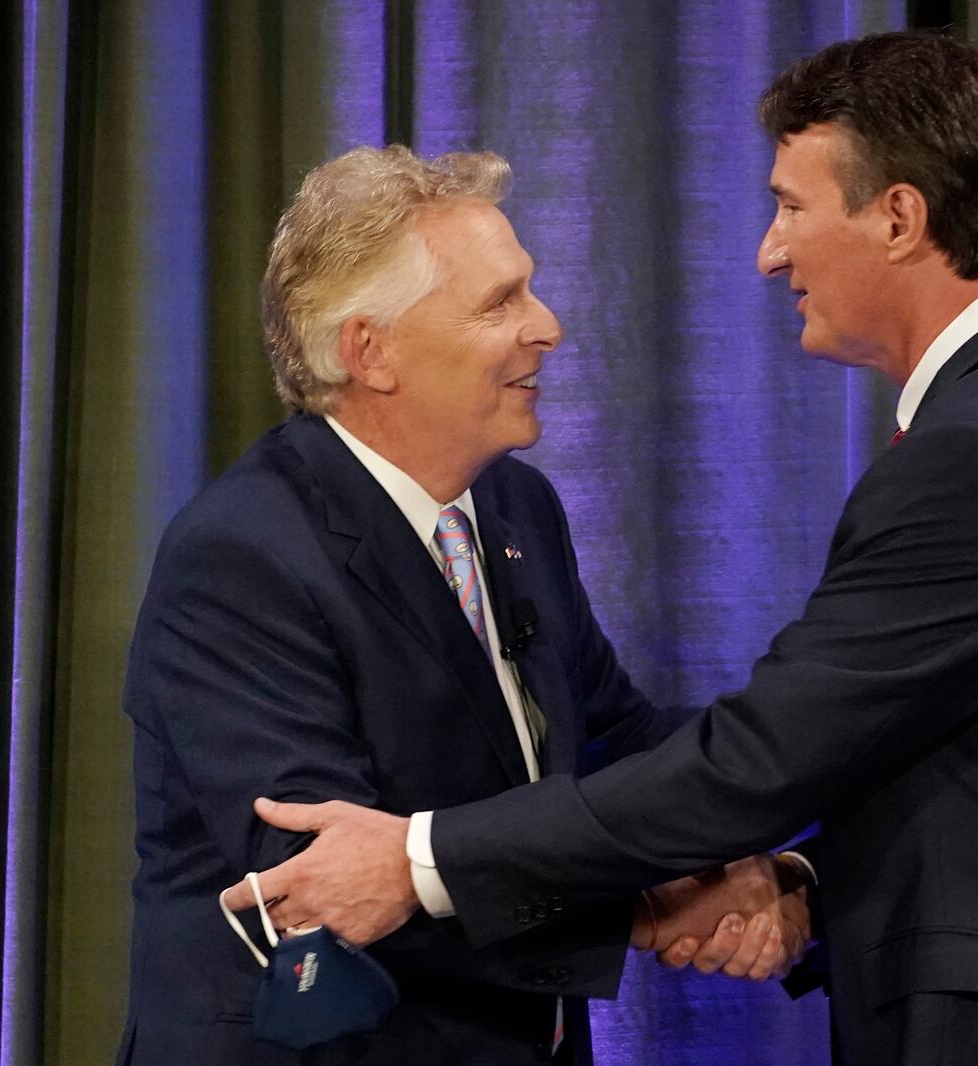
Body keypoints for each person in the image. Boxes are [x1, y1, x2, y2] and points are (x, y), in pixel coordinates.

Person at [233, 33, 978, 1065]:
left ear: (899, 218)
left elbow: (763, 759)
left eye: (791, 207)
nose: (770, 253)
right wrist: (789, 879)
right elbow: (948, 771)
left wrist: (421, 859)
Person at [118, 144, 806, 1066]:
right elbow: (322, 885)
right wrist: (641, 909)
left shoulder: (517, 506)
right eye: (500, 303)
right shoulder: (243, 555)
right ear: (371, 351)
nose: (548, 326)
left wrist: (797, 781)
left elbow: (613, 741)